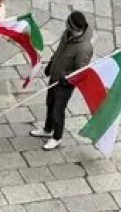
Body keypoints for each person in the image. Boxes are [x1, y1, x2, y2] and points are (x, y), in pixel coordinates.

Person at [30, 11, 94, 151]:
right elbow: (59, 52)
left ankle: (56, 137)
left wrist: (66, 80)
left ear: (73, 27)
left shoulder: (84, 48)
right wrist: (51, 65)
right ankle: (47, 129)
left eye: (67, 23)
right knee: (50, 104)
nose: (65, 25)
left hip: (64, 84)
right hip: (55, 76)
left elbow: (80, 71)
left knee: (58, 110)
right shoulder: (67, 35)